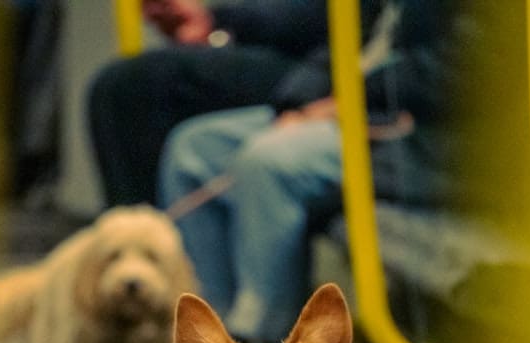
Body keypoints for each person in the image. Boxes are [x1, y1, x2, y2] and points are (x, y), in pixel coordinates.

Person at [158, 0, 475, 343]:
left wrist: (353, 98)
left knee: (269, 161)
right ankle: (211, 337)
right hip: (350, 104)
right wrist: (297, 103)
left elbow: (473, 63)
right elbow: (343, 37)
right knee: (196, 148)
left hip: (425, 129)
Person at [87, 0, 383, 208]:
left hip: (338, 64)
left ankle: (148, 258)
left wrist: (224, 22)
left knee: (142, 85)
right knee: (121, 88)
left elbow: (340, 18)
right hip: (302, 53)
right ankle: (129, 248)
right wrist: (215, 22)